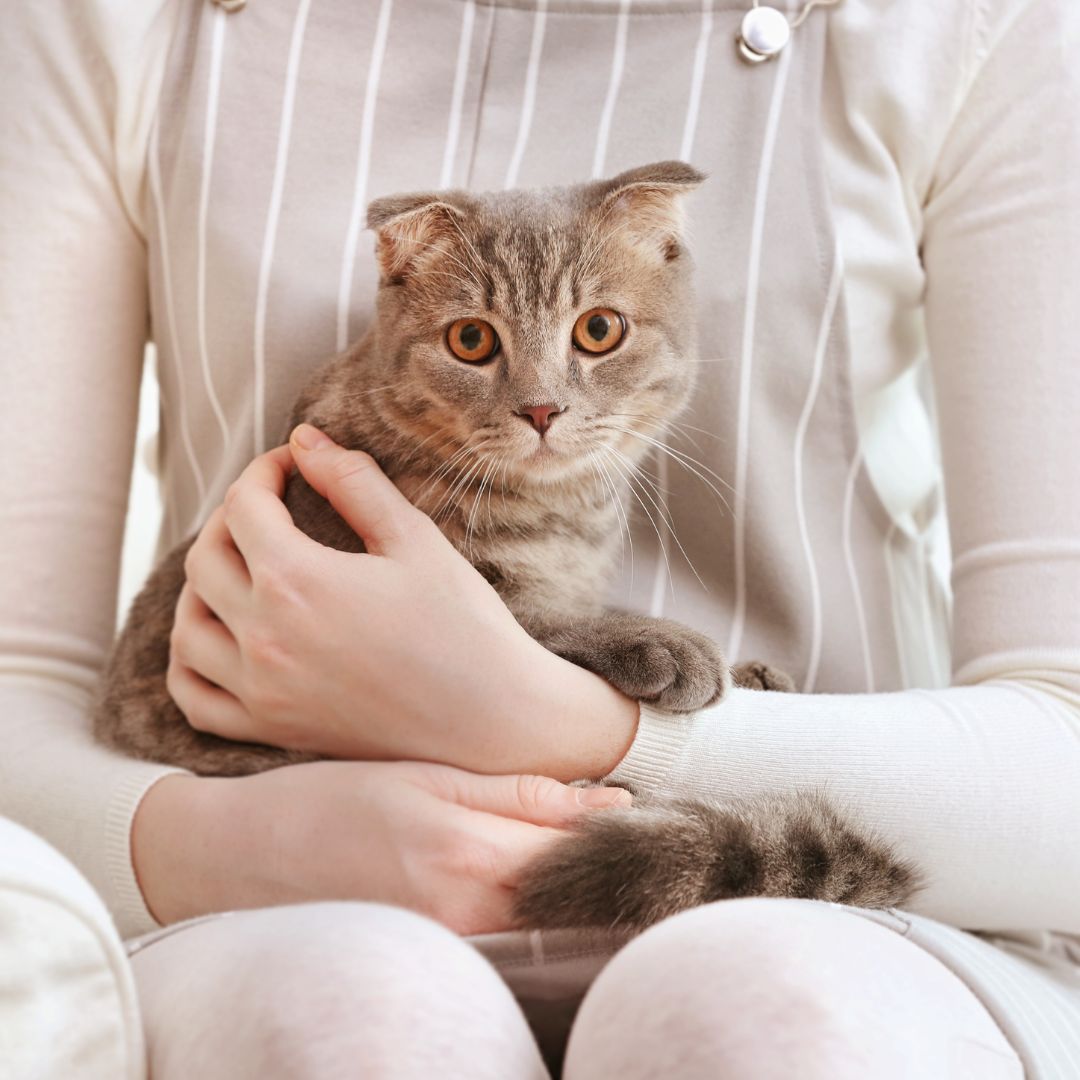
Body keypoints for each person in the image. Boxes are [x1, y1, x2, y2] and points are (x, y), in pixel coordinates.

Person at [2, 0, 1078, 1076]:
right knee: (347, 1011)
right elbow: (22, 679)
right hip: (266, 876)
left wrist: (565, 723)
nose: (543, 402)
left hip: (862, 865)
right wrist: (232, 843)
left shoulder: (976, 25)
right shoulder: (105, 23)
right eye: (475, 342)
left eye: (597, 333)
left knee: (755, 1012)